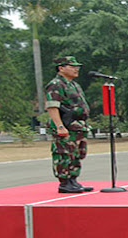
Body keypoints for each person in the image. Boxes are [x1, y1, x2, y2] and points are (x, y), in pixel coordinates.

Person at [45, 56, 93, 193]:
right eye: (72, 66)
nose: (76, 69)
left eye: (77, 66)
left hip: (77, 126)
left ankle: (73, 180)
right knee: (63, 154)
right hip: (65, 125)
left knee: (76, 154)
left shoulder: (73, 84)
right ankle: (64, 183)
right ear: (61, 68)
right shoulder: (56, 84)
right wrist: (59, 126)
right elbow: (52, 107)